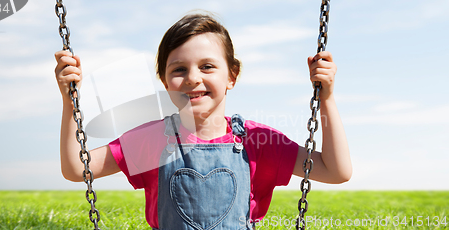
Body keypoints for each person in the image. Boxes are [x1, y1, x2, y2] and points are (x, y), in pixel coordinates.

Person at [54, 12, 352, 230]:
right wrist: (70, 102)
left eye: (207, 66)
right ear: (164, 81)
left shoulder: (257, 141)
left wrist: (326, 99)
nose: (193, 78)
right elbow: (77, 169)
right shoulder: (154, 140)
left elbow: (335, 171)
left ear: (231, 76)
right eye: (179, 69)